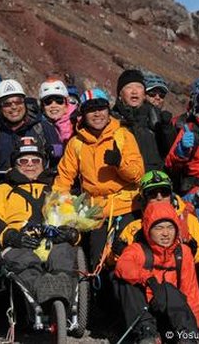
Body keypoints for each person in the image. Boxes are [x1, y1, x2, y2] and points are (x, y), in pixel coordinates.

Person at [53, 88, 143, 267]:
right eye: (90, 110)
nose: (97, 114)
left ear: (108, 110)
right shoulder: (76, 143)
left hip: (126, 208)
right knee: (97, 263)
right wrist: (61, 208)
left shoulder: (123, 135)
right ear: (83, 114)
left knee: (129, 261)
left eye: (101, 108)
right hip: (95, 214)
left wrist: (119, 164)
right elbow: (64, 178)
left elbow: (137, 174)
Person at [0, 137, 80, 293]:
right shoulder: (1, 191)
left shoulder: (57, 190)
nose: (30, 165)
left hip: (53, 242)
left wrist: (70, 233)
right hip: (18, 243)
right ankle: (43, 300)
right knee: (26, 261)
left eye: (35, 161)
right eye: (23, 161)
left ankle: (60, 304)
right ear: (15, 165)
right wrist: (10, 236)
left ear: (43, 165)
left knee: (63, 255)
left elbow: (72, 220)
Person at [114, 203, 199, 343]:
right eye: (159, 228)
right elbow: (122, 265)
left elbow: (191, 292)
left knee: (168, 289)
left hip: (173, 314)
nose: (166, 233)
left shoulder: (183, 252)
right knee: (123, 280)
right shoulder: (138, 250)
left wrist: (195, 328)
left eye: (170, 227)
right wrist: (148, 279)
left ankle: (188, 336)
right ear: (148, 229)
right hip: (144, 311)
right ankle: (147, 335)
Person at [115, 170, 199, 265]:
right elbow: (111, 259)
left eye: (164, 192)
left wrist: (188, 255)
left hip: (181, 276)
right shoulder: (134, 227)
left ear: (171, 195)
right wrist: (122, 253)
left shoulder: (187, 220)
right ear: (144, 199)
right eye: (152, 194)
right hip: (146, 278)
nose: (159, 197)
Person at [0, 79, 61, 171]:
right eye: (7, 103)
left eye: (18, 101)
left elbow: (59, 161)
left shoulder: (43, 129)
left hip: (40, 184)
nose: (14, 107)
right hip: (3, 184)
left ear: (25, 102)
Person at [113, 69, 175, 172]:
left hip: (154, 181)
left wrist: (167, 129)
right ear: (120, 94)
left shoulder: (156, 116)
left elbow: (170, 151)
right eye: (129, 87)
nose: (134, 91)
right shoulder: (112, 119)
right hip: (125, 181)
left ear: (143, 93)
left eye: (139, 87)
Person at [38, 78, 77, 144]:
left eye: (59, 100)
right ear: (42, 106)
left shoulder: (78, 121)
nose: (53, 105)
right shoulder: (39, 126)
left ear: (66, 102)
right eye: (48, 101)